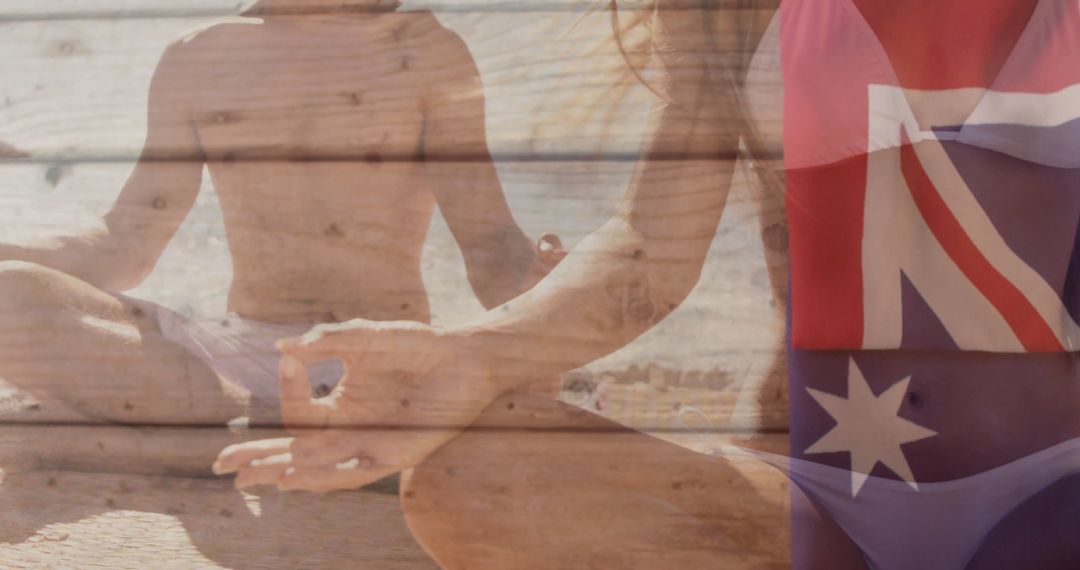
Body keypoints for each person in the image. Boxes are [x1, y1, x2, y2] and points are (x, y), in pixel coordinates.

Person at [217, 0, 1080, 568]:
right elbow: (647, 245)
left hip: (1058, 481)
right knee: (475, 473)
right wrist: (473, 355)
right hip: (825, 499)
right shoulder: (731, 10)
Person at [0, 0, 562, 475]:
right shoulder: (199, 55)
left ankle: (222, 437)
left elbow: (488, 239)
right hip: (234, 363)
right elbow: (124, 239)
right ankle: (272, 424)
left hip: (380, 360)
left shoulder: (422, 50)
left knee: (524, 387)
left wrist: (538, 293)